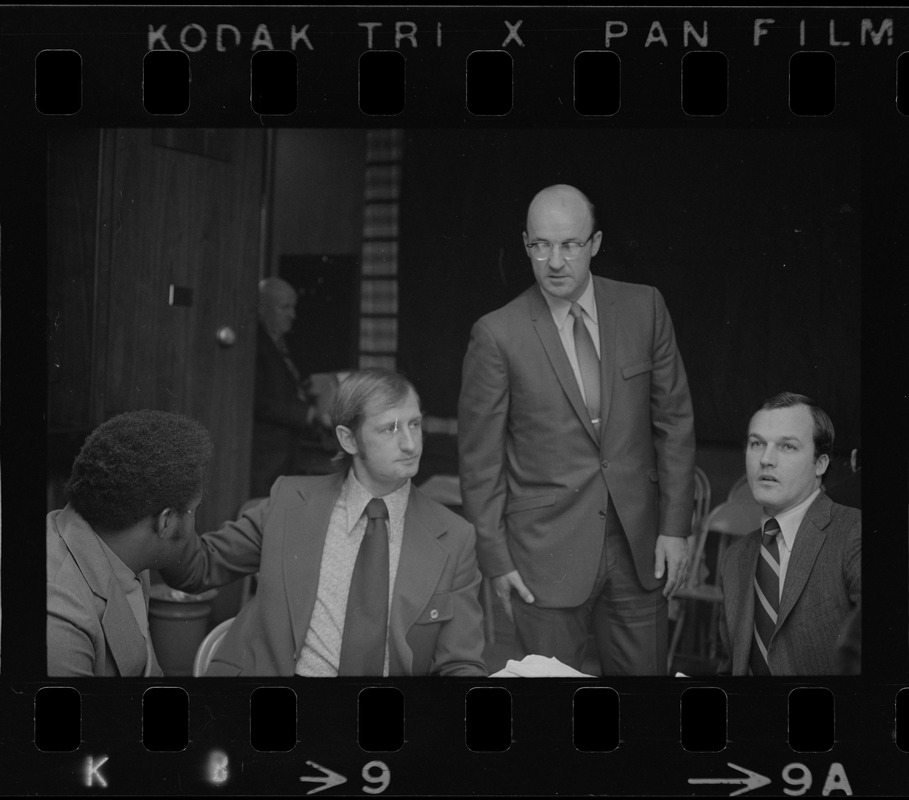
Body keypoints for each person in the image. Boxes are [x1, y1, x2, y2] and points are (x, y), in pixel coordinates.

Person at [458, 184, 696, 675]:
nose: (555, 261)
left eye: (570, 244)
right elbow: (480, 462)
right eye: (540, 245)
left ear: (596, 242)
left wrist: (676, 528)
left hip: (639, 548)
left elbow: (674, 423)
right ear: (526, 244)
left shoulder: (644, 308)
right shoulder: (497, 333)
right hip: (542, 557)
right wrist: (495, 559)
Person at [162, 368, 487, 677]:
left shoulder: (453, 537)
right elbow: (196, 568)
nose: (410, 444)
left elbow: (460, 664)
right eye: (390, 428)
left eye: (415, 424)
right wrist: (173, 502)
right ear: (349, 440)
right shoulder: (289, 503)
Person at [47, 410, 212, 677]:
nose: (196, 524)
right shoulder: (57, 618)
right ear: (166, 522)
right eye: (195, 510)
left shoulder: (125, 552)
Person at [717, 393, 861, 675]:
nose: (766, 459)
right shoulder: (735, 558)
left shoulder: (854, 534)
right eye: (757, 443)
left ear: (820, 464)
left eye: (787, 446)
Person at [252, 277, 323, 497]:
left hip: (287, 450)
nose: (293, 315)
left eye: (293, 307)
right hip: (265, 455)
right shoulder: (254, 345)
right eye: (285, 308)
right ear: (262, 309)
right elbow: (258, 400)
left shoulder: (278, 343)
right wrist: (308, 413)